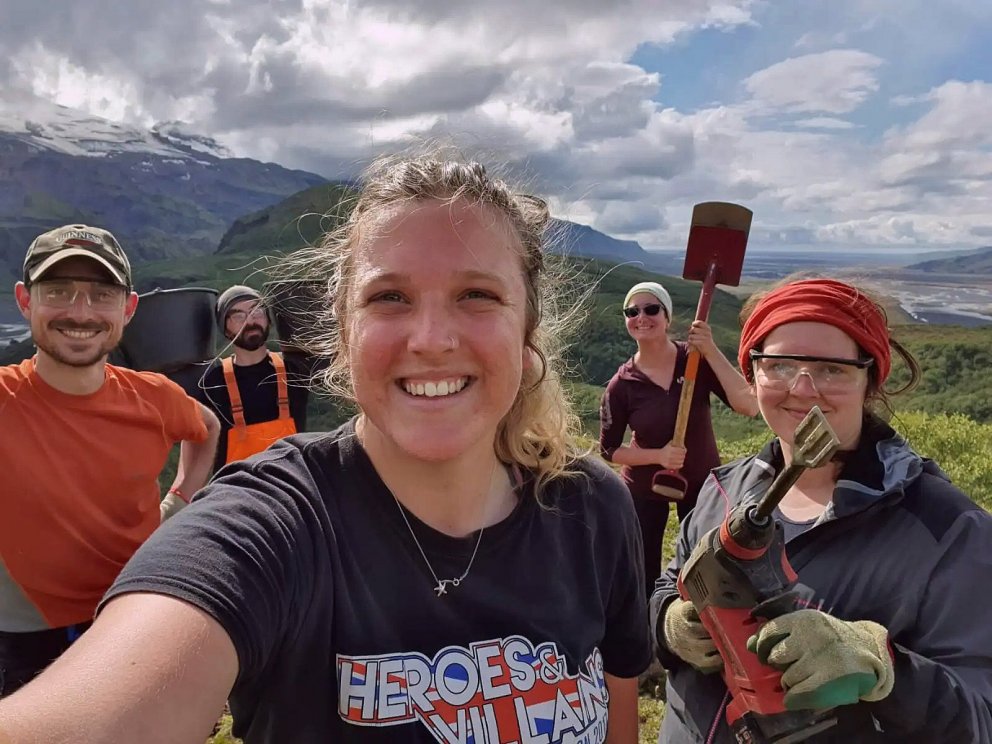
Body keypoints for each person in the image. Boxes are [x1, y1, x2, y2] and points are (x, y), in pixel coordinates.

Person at [0, 156, 653, 743]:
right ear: (342, 331)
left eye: (477, 295)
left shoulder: (591, 507)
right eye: (389, 297)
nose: (431, 338)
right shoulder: (271, 528)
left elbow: (618, 706)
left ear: (527, 327)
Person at [652, 277, 992, 743]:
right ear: (753, 373)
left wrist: (885, 668)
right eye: (780, 365)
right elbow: (667, 587)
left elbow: (979, 717)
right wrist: (670, 623)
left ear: (870, 380)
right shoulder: (721, 491)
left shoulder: (947, 530)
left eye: (832, 369)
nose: (803, 389)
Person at [0, 224, 220, 698]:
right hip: (25, 639)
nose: (80, 312)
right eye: (58, 291)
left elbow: (207, 428)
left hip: (138, 607)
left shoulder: (155, 397)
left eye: (101, 295)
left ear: (128, 309)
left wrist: (178, 501)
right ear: (25, 300)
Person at [599, 281, 758, 595]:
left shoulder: (695, 359)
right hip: (645, 486)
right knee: (642, 568)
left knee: (703, 565)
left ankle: (690, 620)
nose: (641, 317)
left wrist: (710, 349)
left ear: (667, 317)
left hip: (700, 482)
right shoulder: (622, 384)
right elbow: (609, 450)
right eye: (632, 311)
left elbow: (749, 405)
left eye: (651, 309)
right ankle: (647, 620)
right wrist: (658, 456)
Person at [192, 285, 309, 474]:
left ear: (269, 320)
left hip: (291, 485)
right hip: (235, 488)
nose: (251, 321)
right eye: (239, 316)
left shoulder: (294, 371)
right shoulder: (212, 383)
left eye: (257, 311)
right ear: (225, 328)